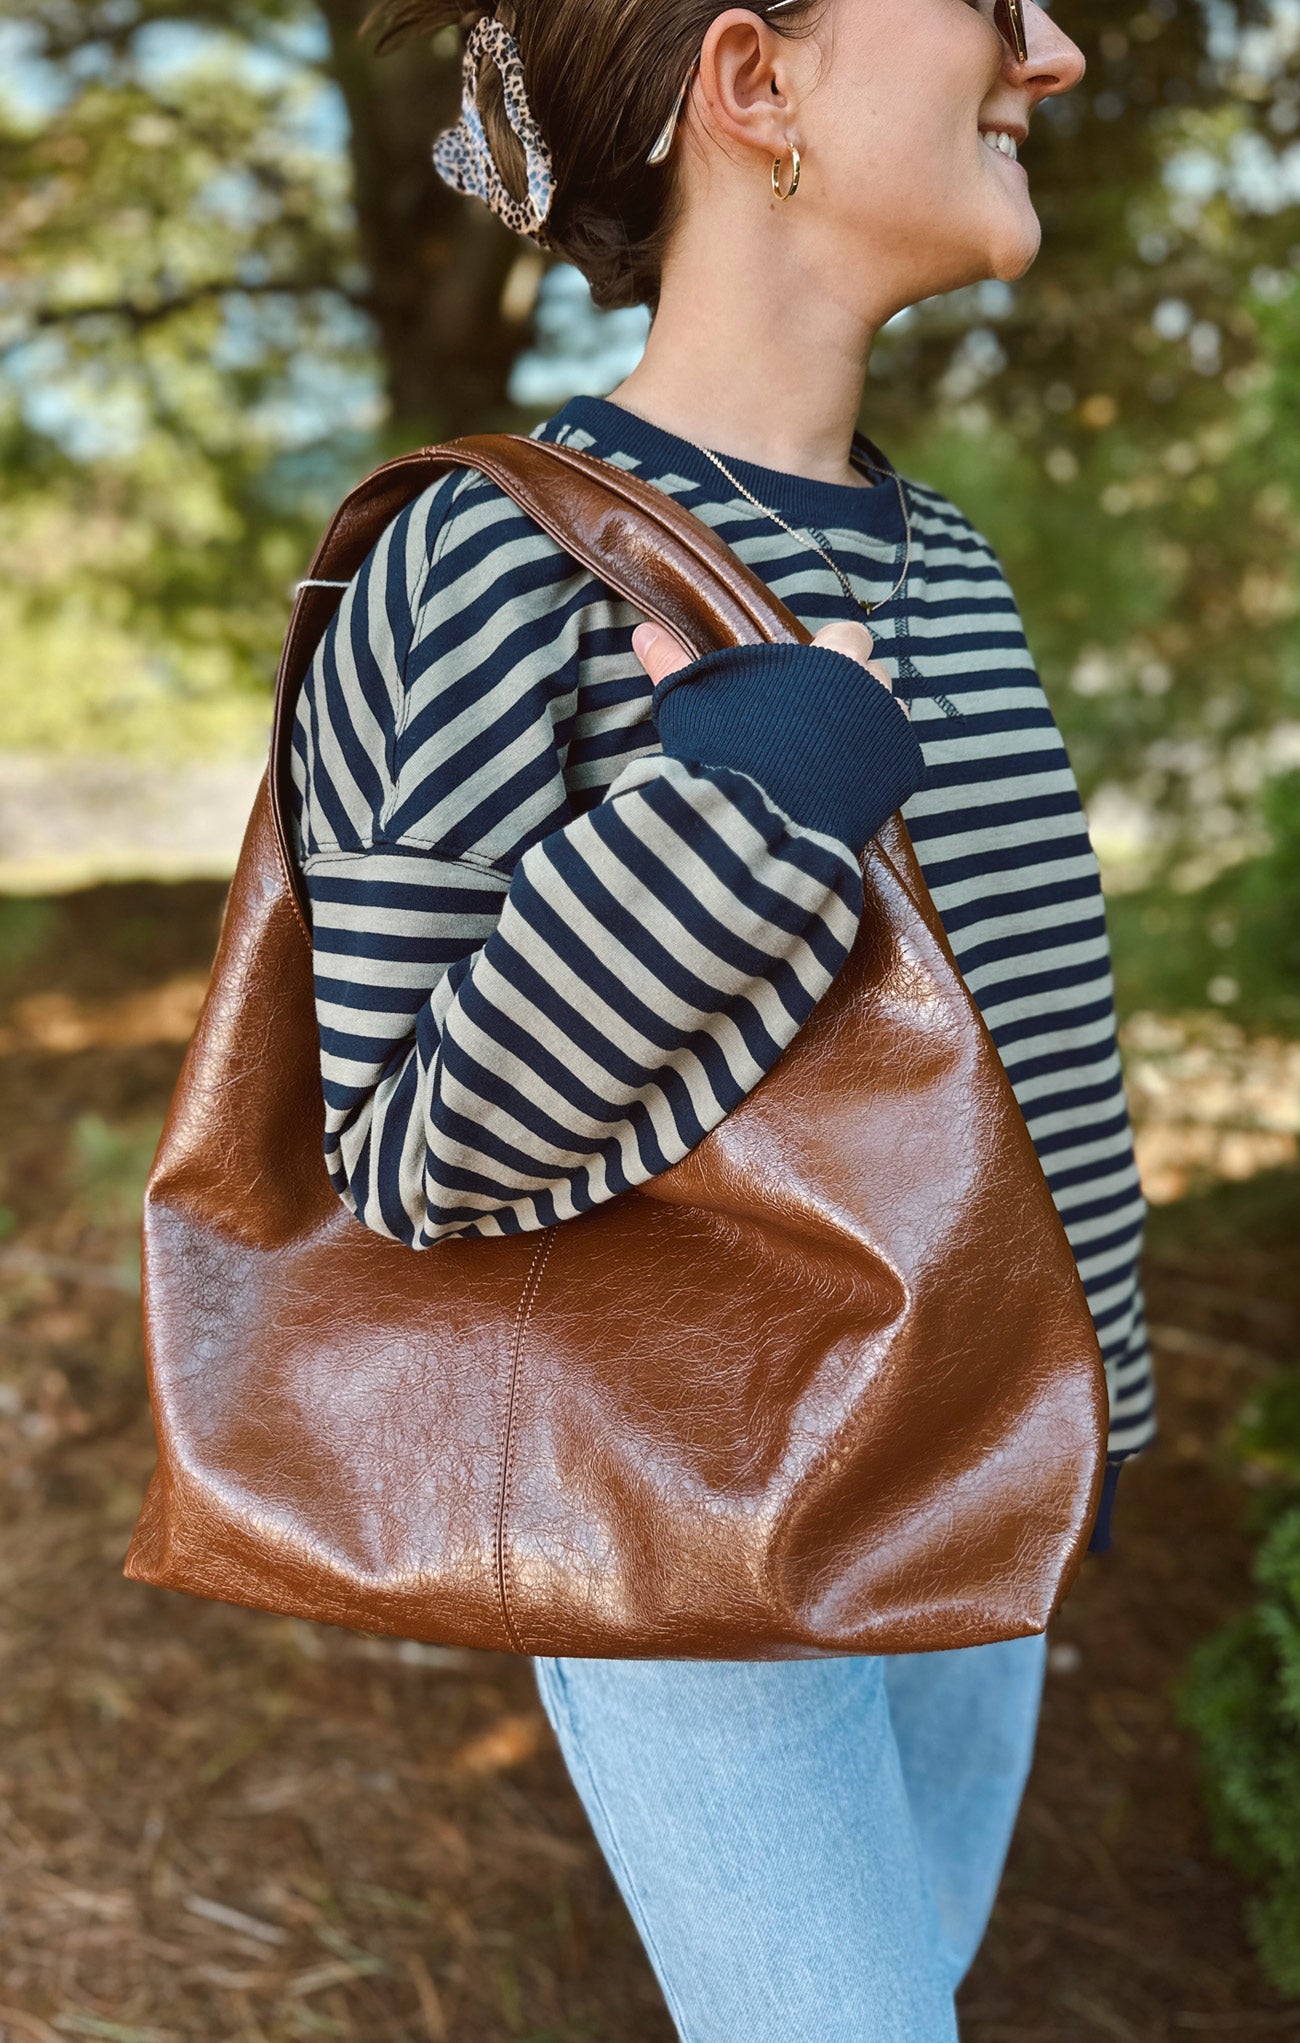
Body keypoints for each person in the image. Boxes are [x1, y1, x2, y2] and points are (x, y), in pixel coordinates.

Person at [288, 1, 1156, 2033]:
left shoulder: (946, 559)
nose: (1051, 55)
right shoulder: (477, 551)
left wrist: (1082, 1389)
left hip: (976, 1470)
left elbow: (1020, 1047)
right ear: (752, 85)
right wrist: (745, 809)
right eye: (984, 1)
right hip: (697, 1529)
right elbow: (407, 1151)